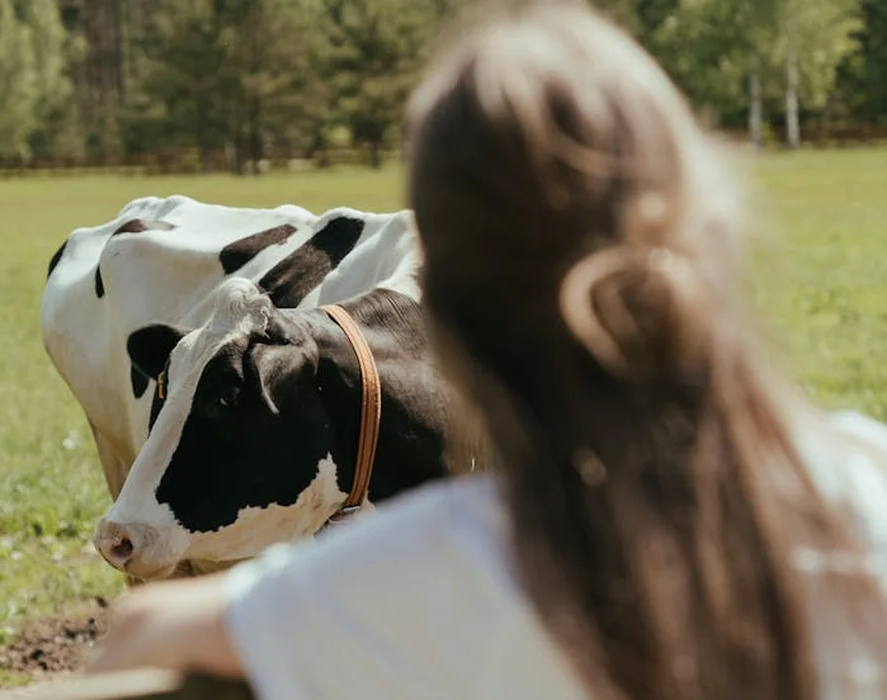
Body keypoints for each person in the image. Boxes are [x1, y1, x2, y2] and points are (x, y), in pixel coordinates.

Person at [85, 2, 887, 698]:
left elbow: (140, 643)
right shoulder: (864, 483)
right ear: (705, 238)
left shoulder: (453, 559)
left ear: (451, 314)